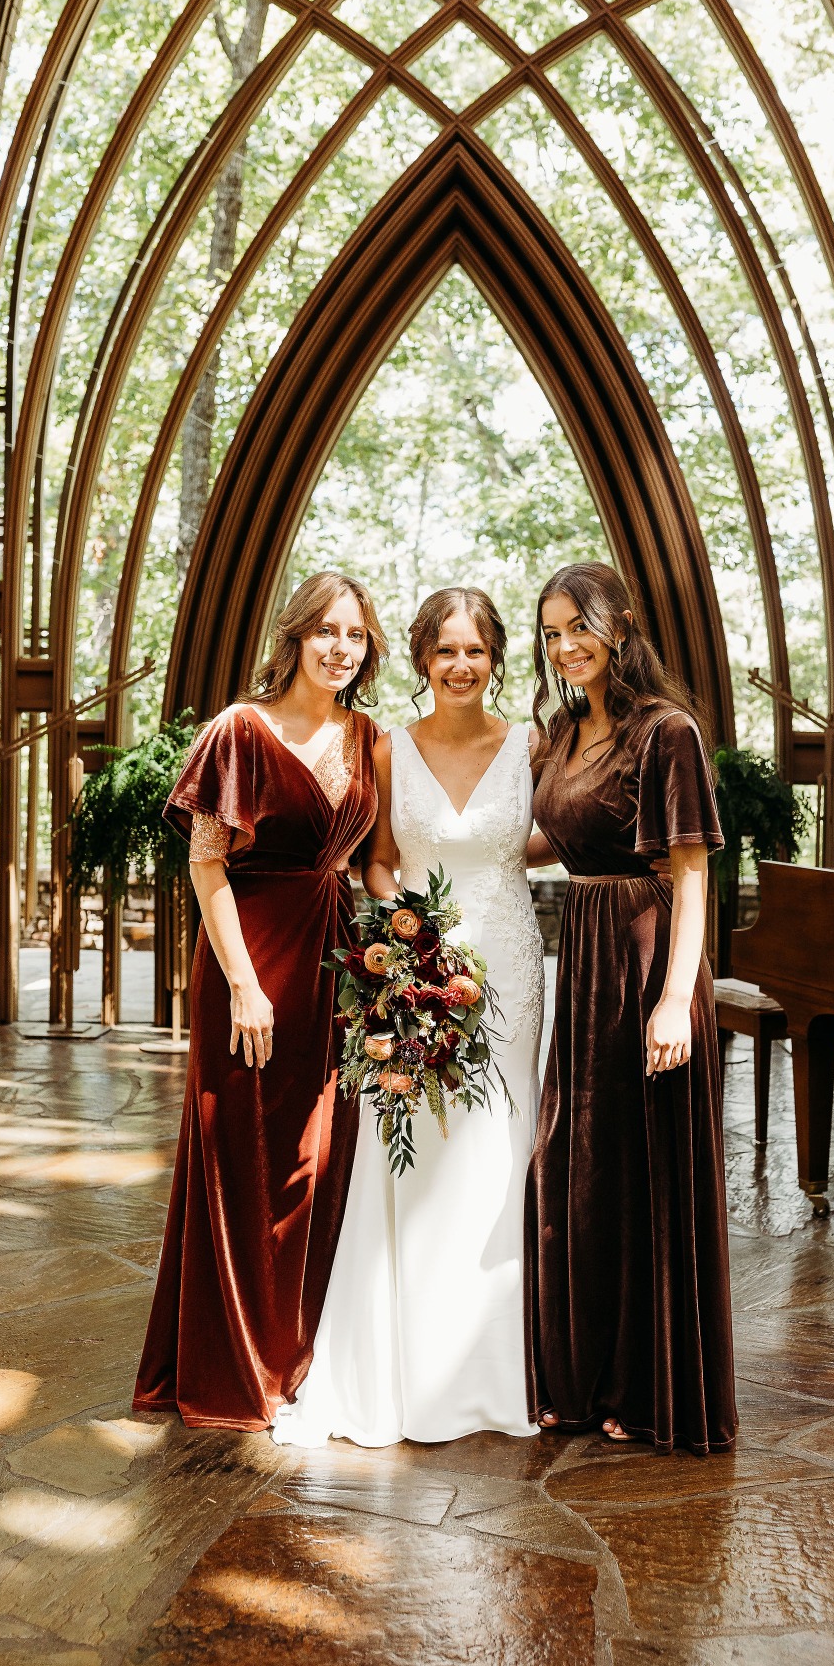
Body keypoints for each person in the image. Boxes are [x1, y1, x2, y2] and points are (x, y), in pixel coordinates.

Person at [273, 588, 545, 1447]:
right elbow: (381, 862)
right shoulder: (390, 748)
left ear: (497, 657)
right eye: (443, 651)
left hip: (512, 968)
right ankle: (404, 1369)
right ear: (423, 659)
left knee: (499, 1160)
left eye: (476, 650)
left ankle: (491, 1374)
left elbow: (551, 834)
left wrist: (498, 863)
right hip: (422, 968)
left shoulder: (533, 747)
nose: (460, 666)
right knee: (418, 1158)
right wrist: (414, 942)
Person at [133, 571, 386, 1430]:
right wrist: (243, 982)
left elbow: (373, 859)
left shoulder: (367, 735)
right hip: (251, 958)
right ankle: (232, 1365)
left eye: (354, 635)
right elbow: (206, 863)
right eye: (326, 631)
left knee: (318, 1162)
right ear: (295, 636)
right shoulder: (239, 730)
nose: (340, 648)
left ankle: (298, 1352)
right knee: (238, 1155)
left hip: (336, 965)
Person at [525, 561, 736, 1454]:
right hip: (584, 959)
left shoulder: (667, 732)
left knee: (647, 1173)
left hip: (648, 957)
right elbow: (540, 843)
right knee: (585, 1173)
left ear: (620, 626)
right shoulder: (563, 734)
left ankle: (650, 1391)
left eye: (579, 626)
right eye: (550, 633)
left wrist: (674, 1003)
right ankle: (586, 1380)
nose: (565, 646)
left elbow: (691, 872)